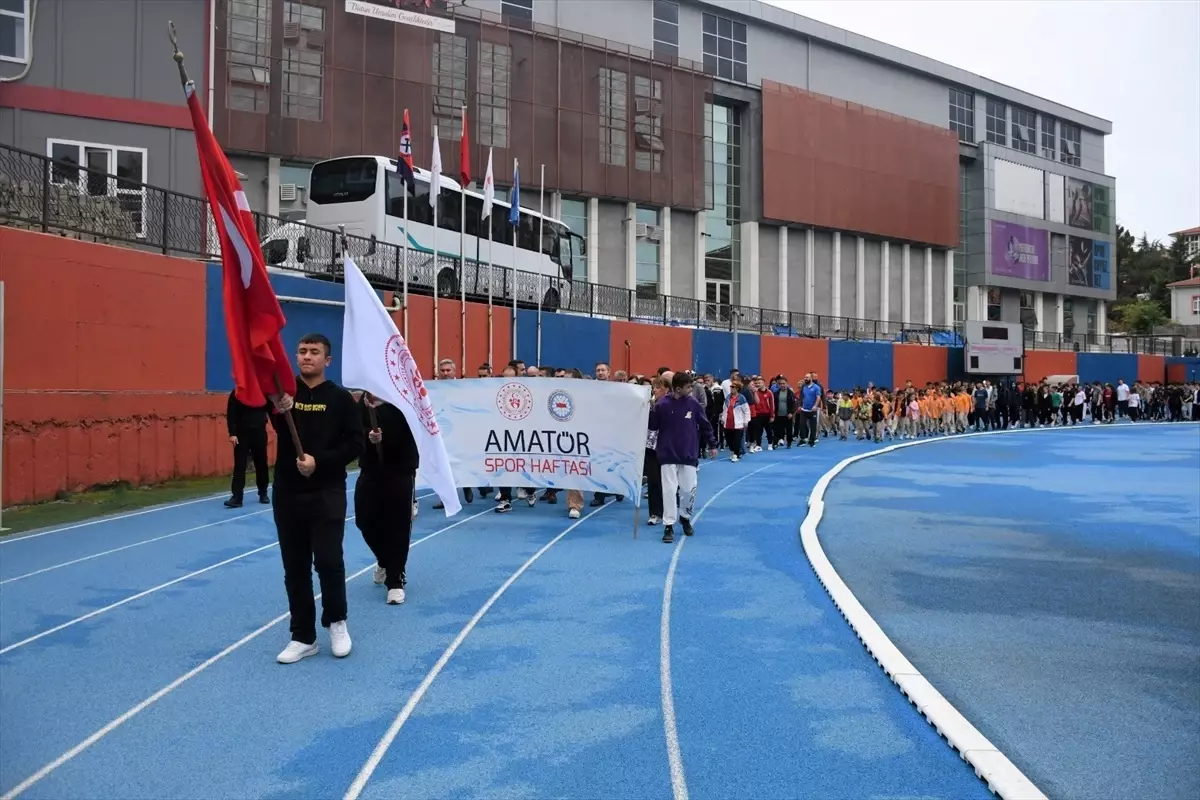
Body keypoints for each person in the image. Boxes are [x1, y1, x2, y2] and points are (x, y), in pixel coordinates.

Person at [269, 333, 364, 665]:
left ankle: (336, 623)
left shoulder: (340, 399)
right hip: (288, 493)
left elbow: (356, 445)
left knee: (327, 561)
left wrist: (319, 463)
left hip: (327, 492)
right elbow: (279, 429)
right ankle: (302, 636)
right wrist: (279, 409)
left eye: (314, 352)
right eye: (301, 351)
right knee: (294, 567)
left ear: (328, 360)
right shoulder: (284, 397)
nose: (306, 357)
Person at [355, 392, 417, 606]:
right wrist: (367, 436)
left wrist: (386, 435)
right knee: (364, 520)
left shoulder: (403, 395)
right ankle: (384, 560)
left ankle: (395, 579)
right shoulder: (364, 400)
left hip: (400, 468)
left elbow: (415, 428)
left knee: (398, 526)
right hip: (370, 469)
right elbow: (353, 430)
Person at [649, 371, 717, 544]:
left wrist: (712, 444)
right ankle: (668, 525)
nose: (691, 390)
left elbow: (704, 424)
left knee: (688, 490)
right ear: (678, 388)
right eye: (688, 387)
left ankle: (685, 517)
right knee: (669, 491)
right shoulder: (662, 404)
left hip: (688, 454)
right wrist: (650, 409)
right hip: (667, 454)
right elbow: (653, 426)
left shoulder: (693, 403)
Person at [225, 389, 270, 508]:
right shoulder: (237, 393)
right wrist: (232, 433)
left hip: (259, 431)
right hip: (241, 433)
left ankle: (263, 493)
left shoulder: (262, 392)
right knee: (240, 465)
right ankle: (237, 497)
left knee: (261, 464)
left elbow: (271, 409)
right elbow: (231, 414)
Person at [798, 373, 822, 447]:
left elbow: (818, 397)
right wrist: (800, 405)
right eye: (805, 377)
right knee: (802, 425)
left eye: (807, 377)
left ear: (811, 378)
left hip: (812, 410)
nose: (805, 379)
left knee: (813, 427)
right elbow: (801, 397)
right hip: (804, 409)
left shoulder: (816, 387)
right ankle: (803, 440)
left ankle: (812, 441)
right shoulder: (804, 387)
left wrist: (815, 406)